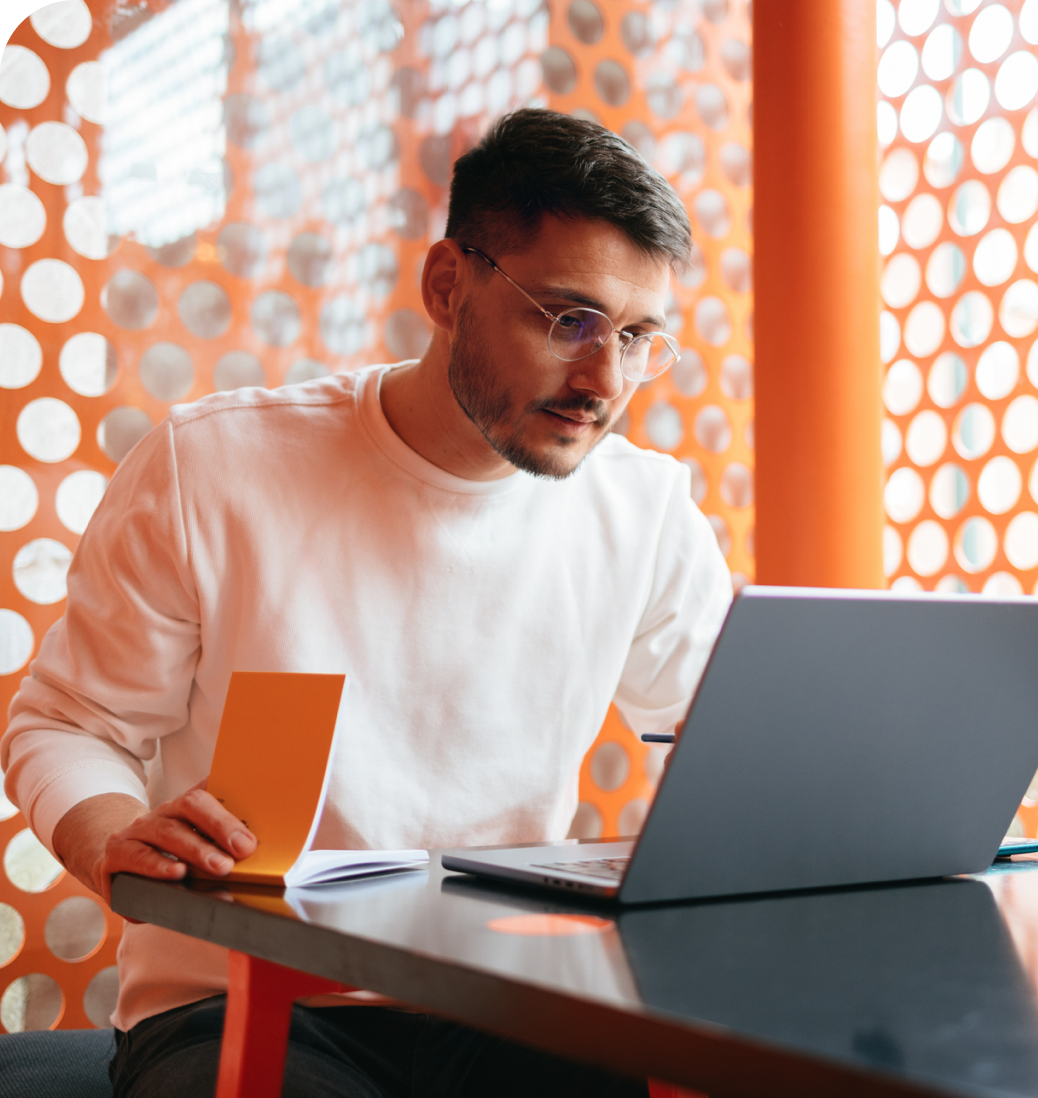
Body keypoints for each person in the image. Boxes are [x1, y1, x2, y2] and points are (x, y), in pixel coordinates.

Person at [2, 108, 732, 1097]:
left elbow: (736, 747)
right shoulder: (211, 468)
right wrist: (107, 834)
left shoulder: (643, 511)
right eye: (570, 321)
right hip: (236, 1000)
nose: (604, 380)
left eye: (639, 337)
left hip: (508, 999)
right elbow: (66, 725)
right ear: (447, 286)